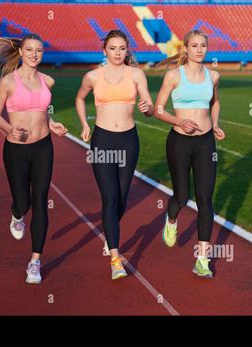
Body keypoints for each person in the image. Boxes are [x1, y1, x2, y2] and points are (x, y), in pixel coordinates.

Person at [75, 30, 154, 280]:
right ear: (104, 51)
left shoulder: (137, 74)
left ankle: (110, 234)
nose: (118, 53)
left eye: (122, 48)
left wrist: (147, 107)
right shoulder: (93, 76)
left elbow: (150, 107)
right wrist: (85, 125)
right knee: (109, 197)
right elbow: (79, 98)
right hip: (103, 140)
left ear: (127, 50)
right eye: (113, 48)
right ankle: (115, 258)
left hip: (129, 140)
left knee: (121, 197)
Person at [0, 33, 68, 284]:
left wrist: (53, 124)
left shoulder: (48, 81)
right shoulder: (9, 81)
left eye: (39, 51)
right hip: (16, 149)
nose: (35, 54)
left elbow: (43, 111)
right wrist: (9, 129)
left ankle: (35, 262)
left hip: (43, 147)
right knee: (23, 203)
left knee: (41, 201)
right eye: (30, 50)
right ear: (21, 53)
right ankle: (16, 212)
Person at [154, 30, 226, 278]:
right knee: (182, 196)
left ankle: (202, 259)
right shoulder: (174, 76)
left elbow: (214, 102)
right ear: (185, 48)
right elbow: (158, 109)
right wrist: (179, 121)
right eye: (194, 45)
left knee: (205, 200)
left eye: (203, 45)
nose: (199, 50)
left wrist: (215, 124)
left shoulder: (213, 76)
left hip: (205, 143)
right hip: (179, 142)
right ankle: (171, 218)